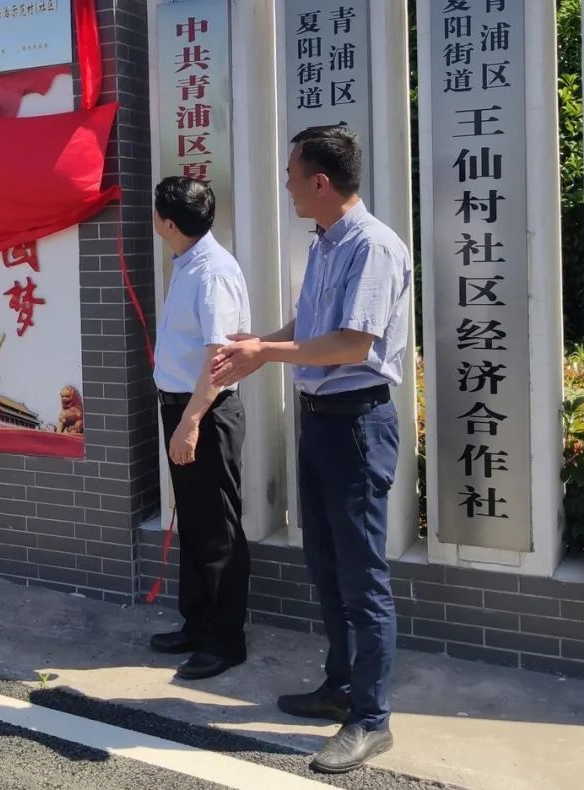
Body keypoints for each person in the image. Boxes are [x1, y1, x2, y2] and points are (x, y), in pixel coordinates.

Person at [212, 125, 409, 774]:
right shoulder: (326, 243)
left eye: (293, 175)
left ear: (321, 183)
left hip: (357, 424)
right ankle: (340, 687)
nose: (287, 185)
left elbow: (353, 343)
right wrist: (258, 348)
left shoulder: (374, 248)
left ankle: (371, 718)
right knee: (325, 565)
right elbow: (312, 327)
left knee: (362, 577)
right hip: (320, 420)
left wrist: (265, 353)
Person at [149, 176, 252, 681]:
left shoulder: (212, 272)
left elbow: (219, 358)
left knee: (218, 529)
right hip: (185, 409)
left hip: (206, 413)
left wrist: (190, 421)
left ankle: (225, 640)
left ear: (169, 224)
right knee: (193, 522)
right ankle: (197, 623)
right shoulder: (189, 264)